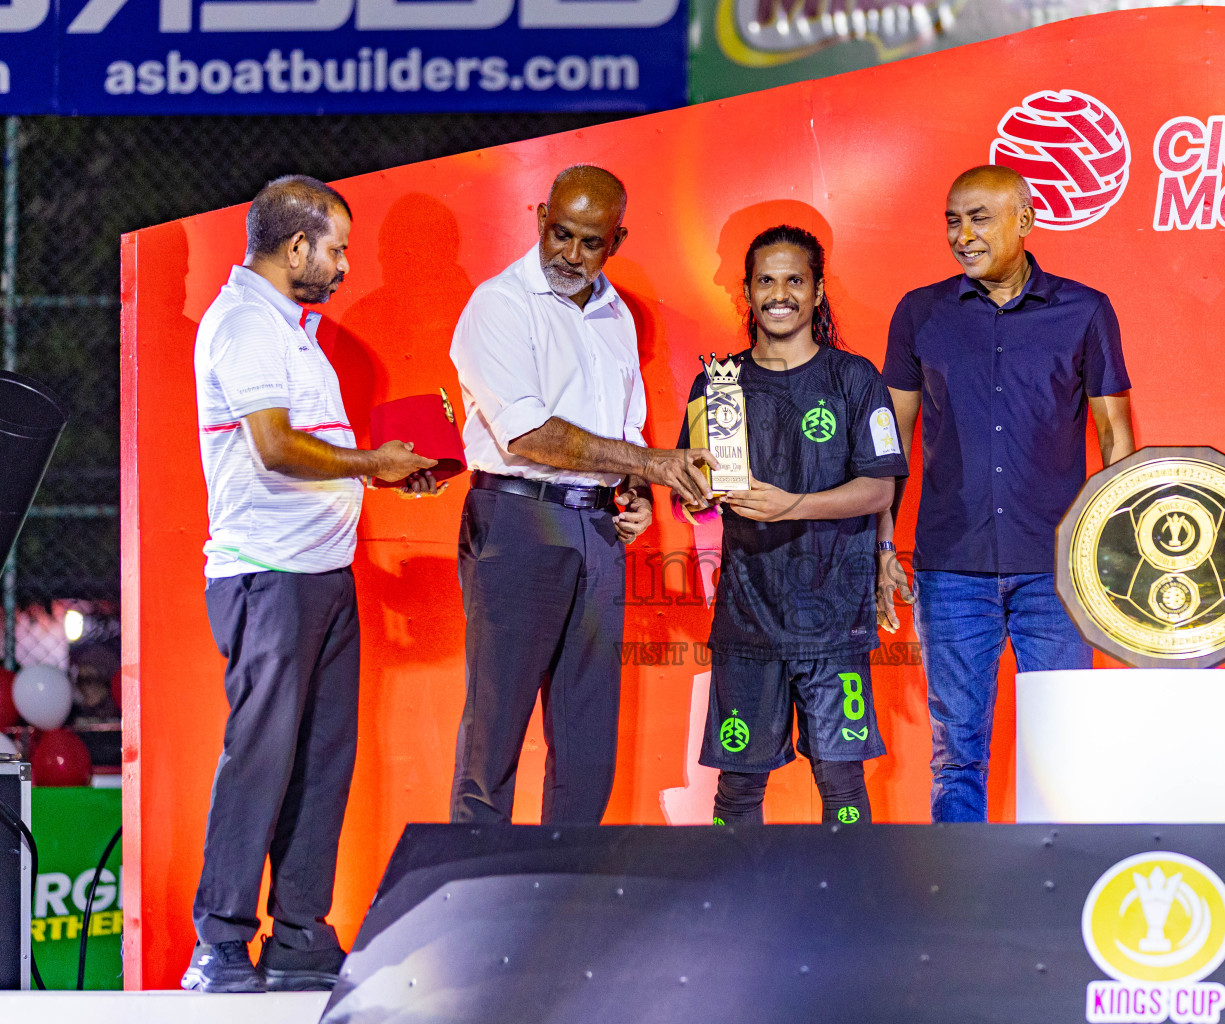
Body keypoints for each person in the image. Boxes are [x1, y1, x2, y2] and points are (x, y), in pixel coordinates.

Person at [185, 175, 437, 993]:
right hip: (268, 576)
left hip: (322, 574)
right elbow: (276, 449)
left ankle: (298, 933)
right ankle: (219, 942)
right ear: (297, 247)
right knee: (260, 758)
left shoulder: (294, 329)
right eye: (336, 249)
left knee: (321, 761)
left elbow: (318, 451)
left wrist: (385, 476)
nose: (343, 265)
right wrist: (374, 463)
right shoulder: (245, 325)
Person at [449, 165, 717, 826]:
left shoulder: (615, 314)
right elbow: (529, 433)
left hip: (596, 534)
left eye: (589, 241)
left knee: (587, 738)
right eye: (560, 233)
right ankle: (479, 911)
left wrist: (634, 490)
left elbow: (618, 427)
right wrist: (649, 462)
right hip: (516, 520)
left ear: (616, 240)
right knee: (495, 735)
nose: (570, 253)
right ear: (539, 215)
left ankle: (565, 909)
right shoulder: (499, 304)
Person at [878, 165, 1135, 823]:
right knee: (956, 753)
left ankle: (1058, 897)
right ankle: (959, 897)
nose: (962, 236)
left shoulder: (1085, 310)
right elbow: (892, 441)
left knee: (1064, 745)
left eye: (978, 218)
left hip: (1057, 572)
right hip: (950, 570)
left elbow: (1116, 435)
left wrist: (1119, 549)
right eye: (952, 220)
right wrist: (880, 544)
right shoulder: (919, 313)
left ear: (1025, 220)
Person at [683, 225, 907, 826]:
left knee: (842, 786)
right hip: (747, 616)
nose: (779, 294)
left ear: (817, 290)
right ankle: (735, 912)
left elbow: (878, 486)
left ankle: (849, 910)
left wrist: (792, 505)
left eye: (794, 280)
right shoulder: (716, 384)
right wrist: (694, 491)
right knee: (737, 791)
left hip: (833, 617)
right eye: (765, 281)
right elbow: (697, 491)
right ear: (748, 292)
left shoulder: (854, 379)